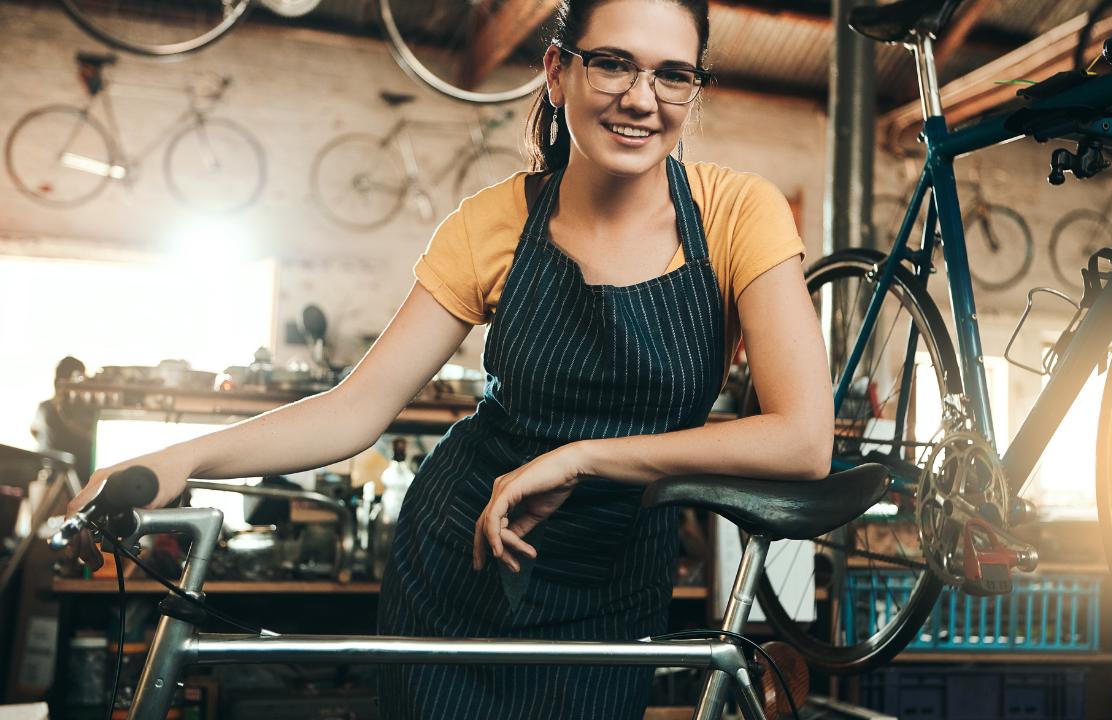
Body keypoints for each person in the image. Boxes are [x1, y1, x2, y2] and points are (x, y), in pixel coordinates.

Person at [68, 0, 834, 716]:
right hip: (455, 566)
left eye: (672, 74)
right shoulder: (490, 224)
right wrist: (182, 457)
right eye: (612, 63)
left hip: (616, 586)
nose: (642, 97)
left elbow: (802, 440)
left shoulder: (737, 214)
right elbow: (352, 410)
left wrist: (582, 459)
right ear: (558, 72)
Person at [31, 355, 95, 481]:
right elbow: (34, 430)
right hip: (52, 473)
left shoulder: (86, 411)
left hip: (78, 474)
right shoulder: (46, 408)